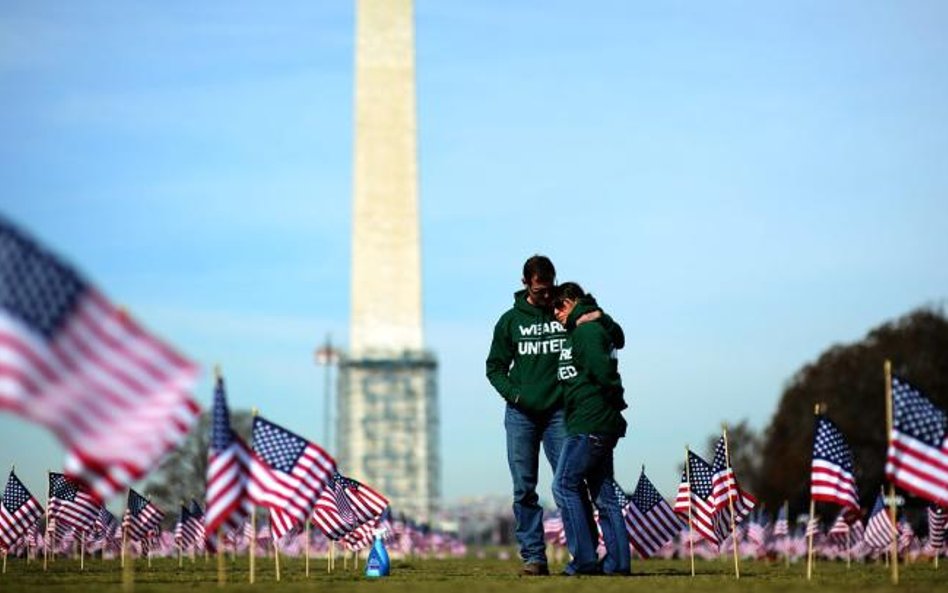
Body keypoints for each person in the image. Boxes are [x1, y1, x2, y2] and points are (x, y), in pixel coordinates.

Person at [485, 255, 566, 576]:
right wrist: (515, 394)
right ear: (525, 284)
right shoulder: (510, 321)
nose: (546, 296)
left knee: (568, 486)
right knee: (524, 488)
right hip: (521, 415)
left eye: (550, 289)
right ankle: (534, 557)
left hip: (560, 412)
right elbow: (494, 367)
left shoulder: (565, 312)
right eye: (539, 291)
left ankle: (582, 554)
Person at [550, 281, 630, 576]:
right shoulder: (586, 329)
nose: (556, 313)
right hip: (592, 421)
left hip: (590, 422)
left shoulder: (587, 331)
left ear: (572, 301)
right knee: (604, 494)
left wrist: (615, 400)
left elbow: (605, 373)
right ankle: (619, 563)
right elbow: (618, 338)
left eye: (559, 306)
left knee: (563, 484)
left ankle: (584, 559)